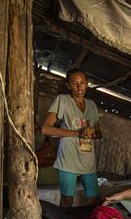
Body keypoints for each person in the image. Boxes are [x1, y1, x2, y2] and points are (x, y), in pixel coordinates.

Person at [42, 68, 102, 207]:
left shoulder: (91, 105)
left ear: (87, 84)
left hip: (88, 159)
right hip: (69, 158)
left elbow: (99, 134)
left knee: (93, 200)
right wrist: (77, 133)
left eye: (82, 82)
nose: (79, 87)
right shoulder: (62, 100)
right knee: (67, 199)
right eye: (74, 83)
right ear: (68, 85)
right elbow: (46, 129)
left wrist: (93, 133)